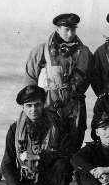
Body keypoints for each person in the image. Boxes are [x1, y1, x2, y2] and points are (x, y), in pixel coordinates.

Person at [24, 13, 93, 154]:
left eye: (73, 29)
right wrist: (34, 106)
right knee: (48, 143)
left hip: (75, 105)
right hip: (48, 103)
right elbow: (30, 79)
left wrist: (74, 91)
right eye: (66, 29)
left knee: (74, 142)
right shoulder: (41, 51)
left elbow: (90, 77)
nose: (70, 33)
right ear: (57, 29)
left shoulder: (85, 52)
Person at [1, 85, 71, 185]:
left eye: (37, 105)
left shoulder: (56, 124)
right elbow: (6, 164)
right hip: (28, 178)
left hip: (50, 179)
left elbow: (66, 153)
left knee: (63, 164)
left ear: (43, 104)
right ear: (23, 107)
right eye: (29, 105)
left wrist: (38, 156)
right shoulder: (14, 129)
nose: (33, 110)